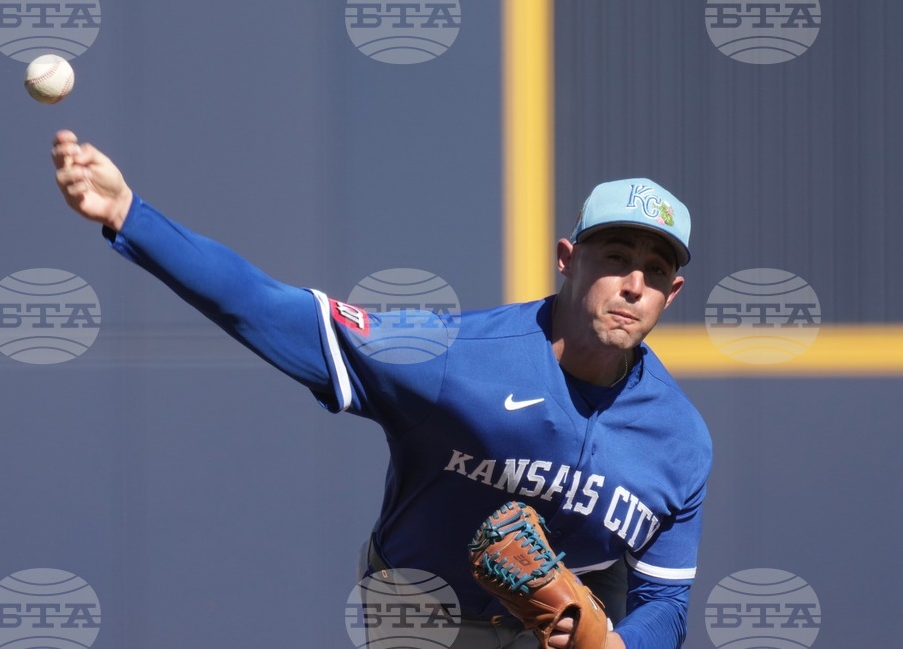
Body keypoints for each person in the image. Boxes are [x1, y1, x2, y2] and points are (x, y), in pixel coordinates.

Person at [51, 130, 712, 649]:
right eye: (615, 257)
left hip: (571, 623)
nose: (633, 285)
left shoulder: (679, 441)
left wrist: (620, 645)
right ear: (567, 259)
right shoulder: (457, 360)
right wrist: (130, 214)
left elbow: (667, 603)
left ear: (672, 292)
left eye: (655, 271)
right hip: (425, 610)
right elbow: (268, 307)